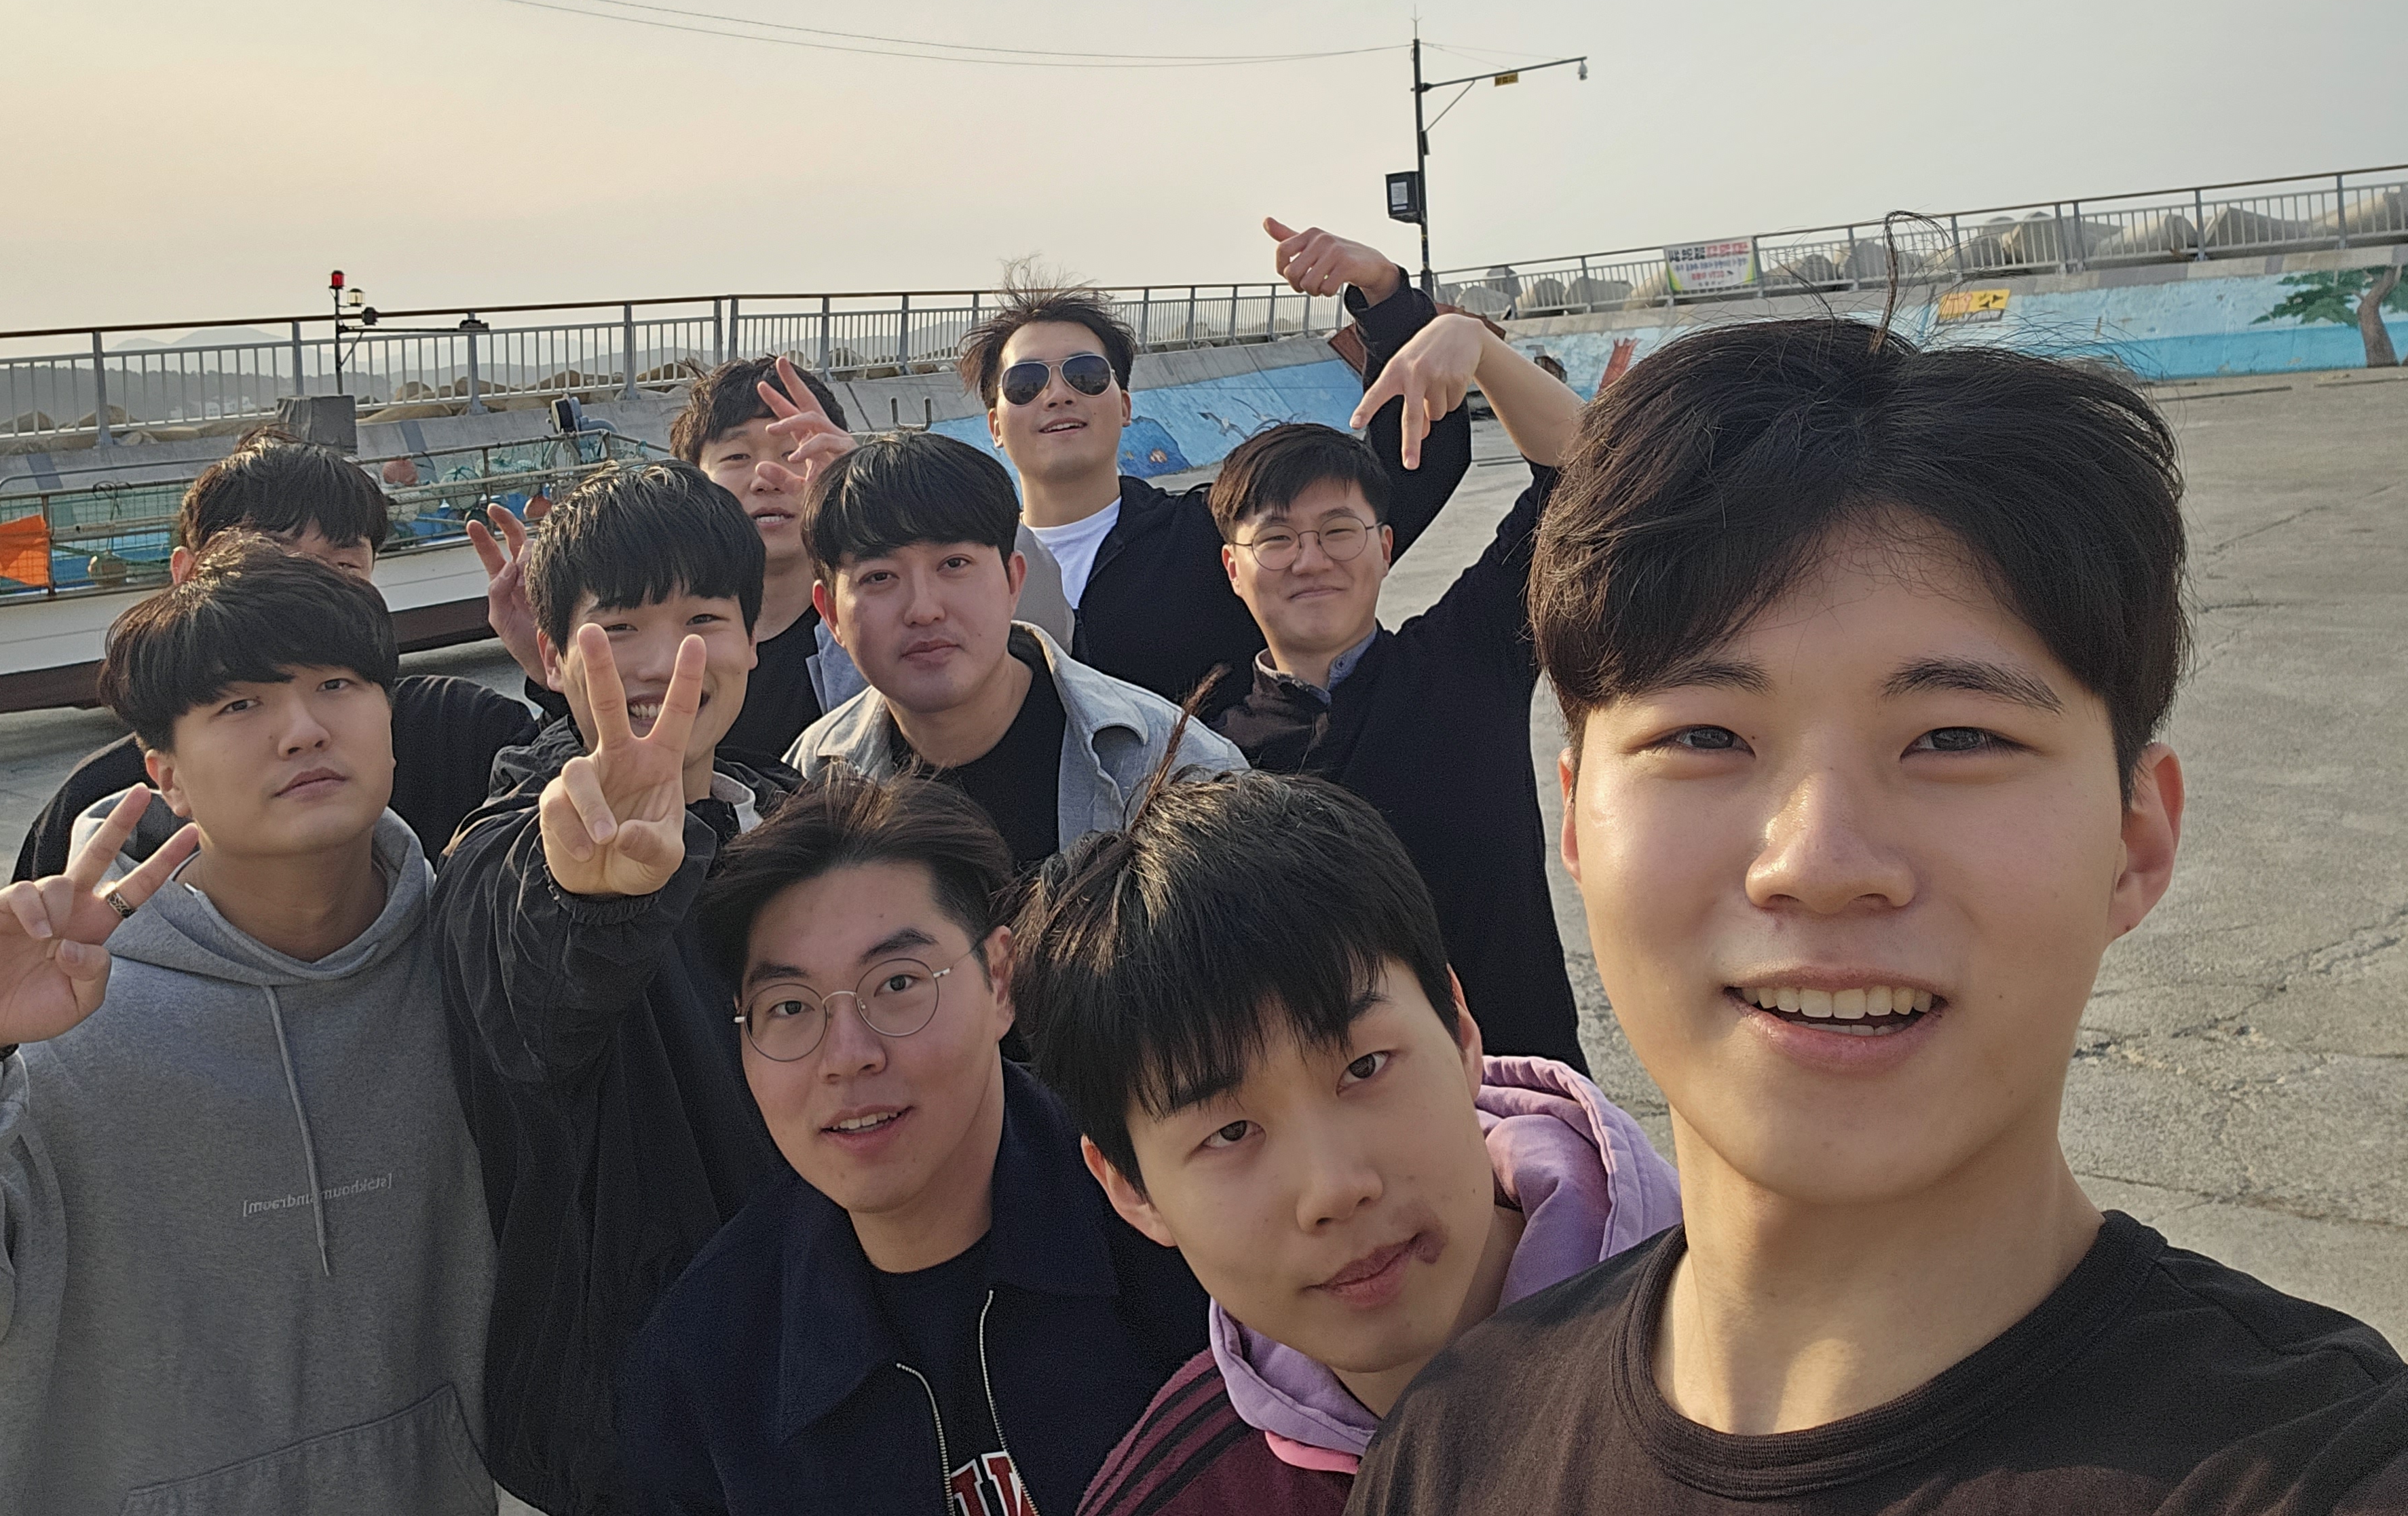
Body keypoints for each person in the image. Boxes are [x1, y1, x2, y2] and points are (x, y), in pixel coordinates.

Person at [1348, 318, 2408, 1514]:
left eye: (1956, 737)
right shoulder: (1452, 1446)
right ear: (1579, 820)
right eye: (1707, 735)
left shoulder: (2316, 1471)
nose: (1819, 863)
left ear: (2136, 840)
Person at [0, 537, 497, 1514]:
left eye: (336, 684)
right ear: (166, 777)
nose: (302, 730)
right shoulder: (60, 1025)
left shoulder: (484, 970)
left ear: (389, 720)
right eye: (239, 705)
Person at [1011, 769, 1679, 1515]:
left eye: (1364, 1067)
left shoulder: (1737, 1335)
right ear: (1132, 1190)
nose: (1334, 1188)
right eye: (1230, 1132)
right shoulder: (1182, 1493)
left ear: (1460, 1031)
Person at [622, 771, 1210, 1514]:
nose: (847, 1057)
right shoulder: (708, 1361)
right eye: (790, 1007)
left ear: (1001, 981)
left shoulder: (1177, 1219)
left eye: (898, 984)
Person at [434, 458, 801, 1516]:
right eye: (620, 625)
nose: (662, 659)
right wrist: (598, 902)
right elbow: (539, 1006)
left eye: (702, 619)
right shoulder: (506, 855)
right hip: (641, 1425)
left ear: (754, 636)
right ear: (552, 656)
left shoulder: (798, 817)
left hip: (827, 1365)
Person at [1203, 314, 1589, 1067]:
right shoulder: (1207, 754)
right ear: (1232, 570)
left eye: (1338, 530)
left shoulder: (1468, 657)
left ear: (1384, 548)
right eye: (1276, 539)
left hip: (1525, 1092)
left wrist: (1477, 347)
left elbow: (1585, 476)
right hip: (1334, 1118)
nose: (1309, 559)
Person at [959, 221, 1475, 707]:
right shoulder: (958, 570)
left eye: (1086, 374)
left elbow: (1406, 475)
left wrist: (1385, 297)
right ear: (996, 426)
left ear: (1125, 406)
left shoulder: (1218, 535)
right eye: (1026, 383)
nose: (1057, 395)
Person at [16, 423, 541, 878]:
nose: (307, 596)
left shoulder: (462, 731)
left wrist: (559, 673)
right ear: (187, 577)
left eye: (342, 569)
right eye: (268, 562)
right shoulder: (101, 803)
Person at [791, 431, 1246, 867]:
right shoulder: (808, 782)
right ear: (831, 614)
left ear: (1013, 581)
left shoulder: (1182, 771)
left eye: (954, 564)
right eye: (879, 578)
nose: (924, 610)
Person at [664, 354, 1074, 763]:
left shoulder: (884, 620)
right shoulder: (664, 634)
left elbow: (1020, 585)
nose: (766, 476)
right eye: (737, 457)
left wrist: (868, 494)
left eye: (795, 451)